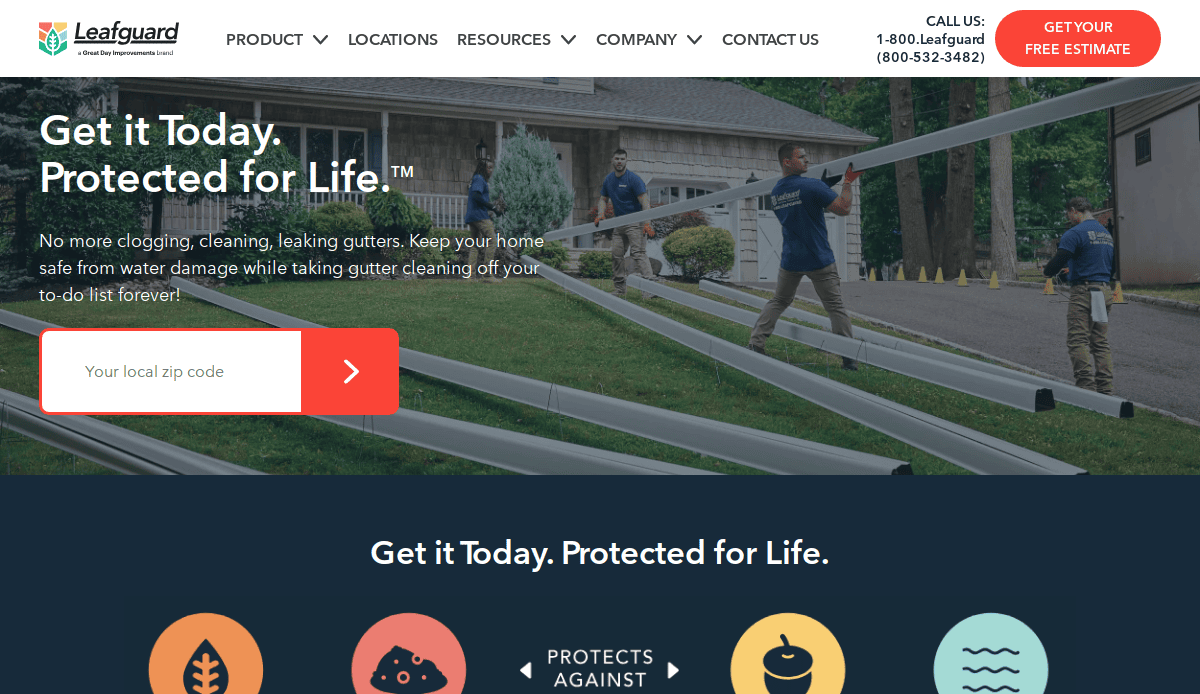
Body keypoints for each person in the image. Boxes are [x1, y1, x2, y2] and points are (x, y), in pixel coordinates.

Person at [748, 143, 860, 370]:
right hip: (819, 258)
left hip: (791, 260)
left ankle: (755, 343)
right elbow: (844, 208)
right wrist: (848, 181)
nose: (807, 160)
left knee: (779, 300)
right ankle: (849, 359)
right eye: (801, 157)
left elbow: (804, 201)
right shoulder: (811, 186)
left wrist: (825, 186)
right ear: (787, 162)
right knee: (834, 306)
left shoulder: (777, 191)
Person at [1042, 196, 1115, 394]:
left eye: (1069, 214)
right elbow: (1110, 266)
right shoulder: (1106, 234)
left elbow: (1059, 260)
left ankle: (1086, 387)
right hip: (1104, 290)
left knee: (1078, 340)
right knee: (1100, 342)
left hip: (1084, 293)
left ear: (1074, 211)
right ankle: (1106, 389)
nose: (1069, 218)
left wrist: (1047, 272)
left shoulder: (1074, 233)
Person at [594, 149, 658, 298]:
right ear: (612, 160)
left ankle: (650, 290)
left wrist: (647, 223)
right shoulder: (609, 180)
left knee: (638, 253)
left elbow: (645, 202)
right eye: (617, 158)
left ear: (626, 161)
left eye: (622, 159)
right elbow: (603, 199)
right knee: (616, 255)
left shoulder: (633, 179)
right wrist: (600, 214)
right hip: (619, 223)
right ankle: (620, 290)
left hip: (636, 222)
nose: (619, 161)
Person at [464, 158, 504, 283]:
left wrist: (490, 209)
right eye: (489, 167)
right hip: (479, 216)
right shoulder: (479, 179)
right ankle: (487, 274)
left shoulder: (476, 179)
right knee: (493, 241)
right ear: (483, 168)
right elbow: (476, 196)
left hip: (472, 216)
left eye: (492, 167)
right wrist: (492, 207)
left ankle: (470, 276)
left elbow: (476, 197)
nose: (491, 170)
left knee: (475, 245)